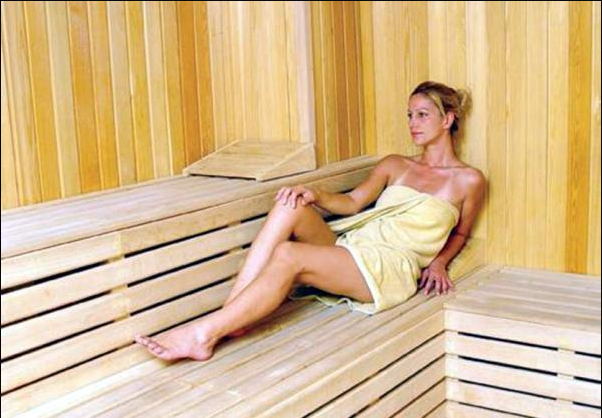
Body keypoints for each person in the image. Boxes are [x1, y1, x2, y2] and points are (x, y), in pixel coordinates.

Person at [135, 80, 486, 361]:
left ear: (447, 119)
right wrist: (314, 194)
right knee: (289, 205)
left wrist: (439, 262)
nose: (412, 123)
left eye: (422, 115)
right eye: (409, 115)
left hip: (388, 268)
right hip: (354, 246)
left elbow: (461, 233)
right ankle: (232, 316)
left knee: (289, 254)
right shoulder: (396, 164)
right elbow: (352, 203)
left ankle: (205, 333)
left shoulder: (469, 180)